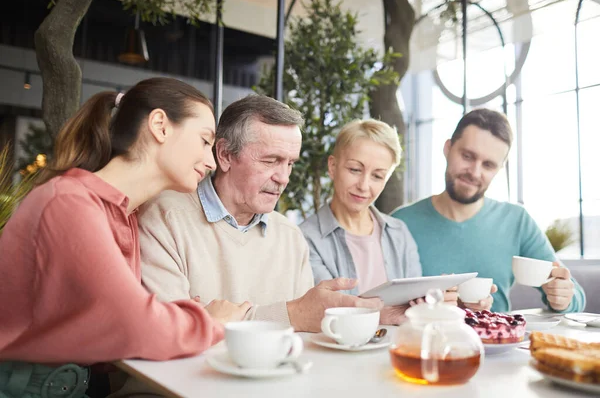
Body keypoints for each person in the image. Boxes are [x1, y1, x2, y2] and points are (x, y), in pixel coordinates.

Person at [0, 77, 249, 398]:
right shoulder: (70, 202)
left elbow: (111, 323)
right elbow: (135, 324)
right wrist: (210, 322)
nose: (211, 161)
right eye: (204, 141)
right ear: (160, 125)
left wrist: (167, 319)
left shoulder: (123, 215)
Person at [136, 95, 383, 333]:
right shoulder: (164, 217)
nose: (283, 178)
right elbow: (171, 332)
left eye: (290, 163)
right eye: (270, 161)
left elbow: (302, 334)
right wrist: (291, 315)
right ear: (224, 155)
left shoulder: (290, 237)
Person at [392, 108, 585, 313]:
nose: (474, 172)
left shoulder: (516, 221)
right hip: (419, 341)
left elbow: (576, 297)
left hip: (498, 343)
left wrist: (562, 298)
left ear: (499, 169)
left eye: (488, 165)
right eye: (467, 156)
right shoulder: (399, 223)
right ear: (448, 148)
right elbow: (380, 303)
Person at [299, 119, 458, 325]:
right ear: (333, 166)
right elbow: (328, 311)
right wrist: (388, 314)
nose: (364, 186)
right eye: (355, 169)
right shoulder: (305, 238)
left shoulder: (399, 232)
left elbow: (414, 306)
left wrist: (433, 298)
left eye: (377, 176)